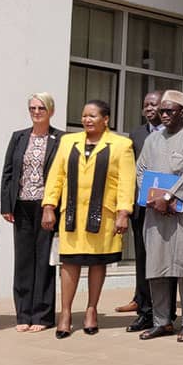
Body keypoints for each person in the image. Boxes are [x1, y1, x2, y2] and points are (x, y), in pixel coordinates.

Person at [41, 99, 136, 338]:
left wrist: (123, 212)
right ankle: (65, 313)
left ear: (106, 120)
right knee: (69, 262)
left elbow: (126, 181)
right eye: (84, 115)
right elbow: (56, 177)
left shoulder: (121, 145)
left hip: (102, 215)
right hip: (71, 213)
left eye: (93, 116)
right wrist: (49, 206)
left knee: (97, 262)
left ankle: (91, 310)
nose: (87, 120)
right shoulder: (67, 142)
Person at [135, 90, 183, 342]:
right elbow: (141, 169)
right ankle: (161, 321)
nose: (163, 115)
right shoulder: (153, 140)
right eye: (161, 111)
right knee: (157, 267)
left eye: (169, 111)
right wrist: (153, 198)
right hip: (155, 214)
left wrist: (169, 197)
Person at [0, 93, 63, 332]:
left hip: (47, 207)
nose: (36, 112)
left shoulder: (60, 139)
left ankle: (43, 316)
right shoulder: (19, 137)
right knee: (24, 261)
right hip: (21, 205)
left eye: (41, 108)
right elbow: (8, 172)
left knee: (45, 260)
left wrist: (55, 207)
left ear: (51, 111)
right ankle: (23, 313)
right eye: (32, 108)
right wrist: (7, 206)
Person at [118, 91, 164, 332]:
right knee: (143, 261)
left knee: (164, 261)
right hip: (141, 207)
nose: (149, 108)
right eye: (145, 104)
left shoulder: (175, 132)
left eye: (154, 104)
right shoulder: (135, 135)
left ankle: (164, 313)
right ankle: (144, 310)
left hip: (167, 208)